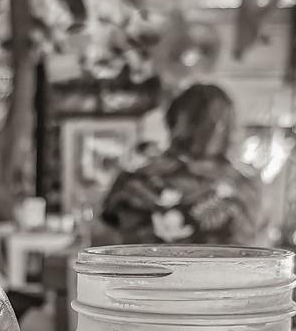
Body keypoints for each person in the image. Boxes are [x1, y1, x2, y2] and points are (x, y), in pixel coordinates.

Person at [100, 84, 259, 245]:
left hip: (144, 268)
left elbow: (102, 242)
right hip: (224, 269)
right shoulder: (245, 187)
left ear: (172, 122)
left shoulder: (133, 181)